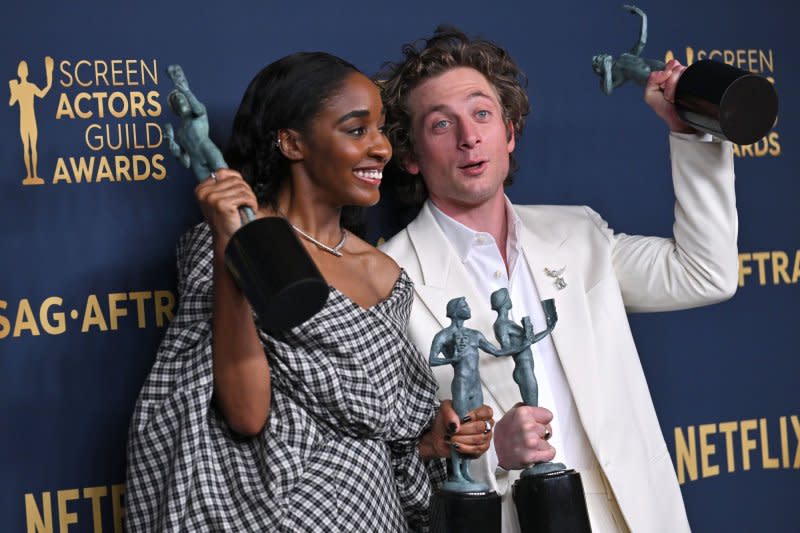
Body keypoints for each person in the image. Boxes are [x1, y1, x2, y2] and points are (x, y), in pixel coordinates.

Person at [379, 27, 737, 532]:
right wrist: (489, 455)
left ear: (510, 131)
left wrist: (687, 132)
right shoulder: (386, 279)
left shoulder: (579, 233)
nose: (469, 137)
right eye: (442, 124)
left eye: (482, 114)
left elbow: (707, 274)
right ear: (410, 155)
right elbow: (382, 461)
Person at [124, 52, 493, 532]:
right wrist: (229, 245)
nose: (380, 148)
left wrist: (435, 441)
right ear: (292, 142)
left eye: (381, 130)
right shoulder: (231, 246)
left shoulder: (385, 273)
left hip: (373, 512)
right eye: (357, 130)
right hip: (279, 516)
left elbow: (379, 432)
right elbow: (245, 414)